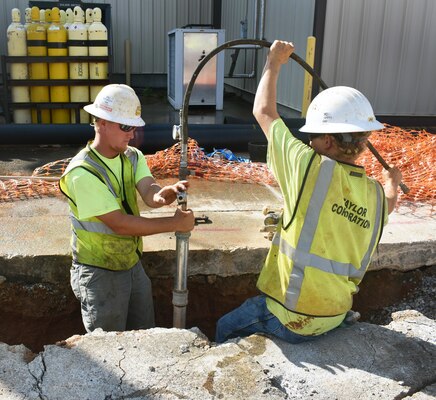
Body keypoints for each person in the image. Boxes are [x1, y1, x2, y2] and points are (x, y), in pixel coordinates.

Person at [215, 40, 403, 344]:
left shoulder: (307, 167)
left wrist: (274, 62)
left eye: (313, 136)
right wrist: (392, 182)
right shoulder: (374, 194)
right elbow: (389, 203)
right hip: (335, 314)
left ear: (328, 141)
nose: (309, 142)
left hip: (292, 316)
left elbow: (263, 111)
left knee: (225, 328)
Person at [59, 84, 195, 333]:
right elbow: (119, 224)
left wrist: (162, 195)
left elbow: (147, 189)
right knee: (110, 349)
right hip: (99, 272)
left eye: (133, 127)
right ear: (101, 122)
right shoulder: (82, 173)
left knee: (144, 336)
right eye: (125, 126)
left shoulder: (132, 156)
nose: (131, 134)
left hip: (131, 264)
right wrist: (174, 224)